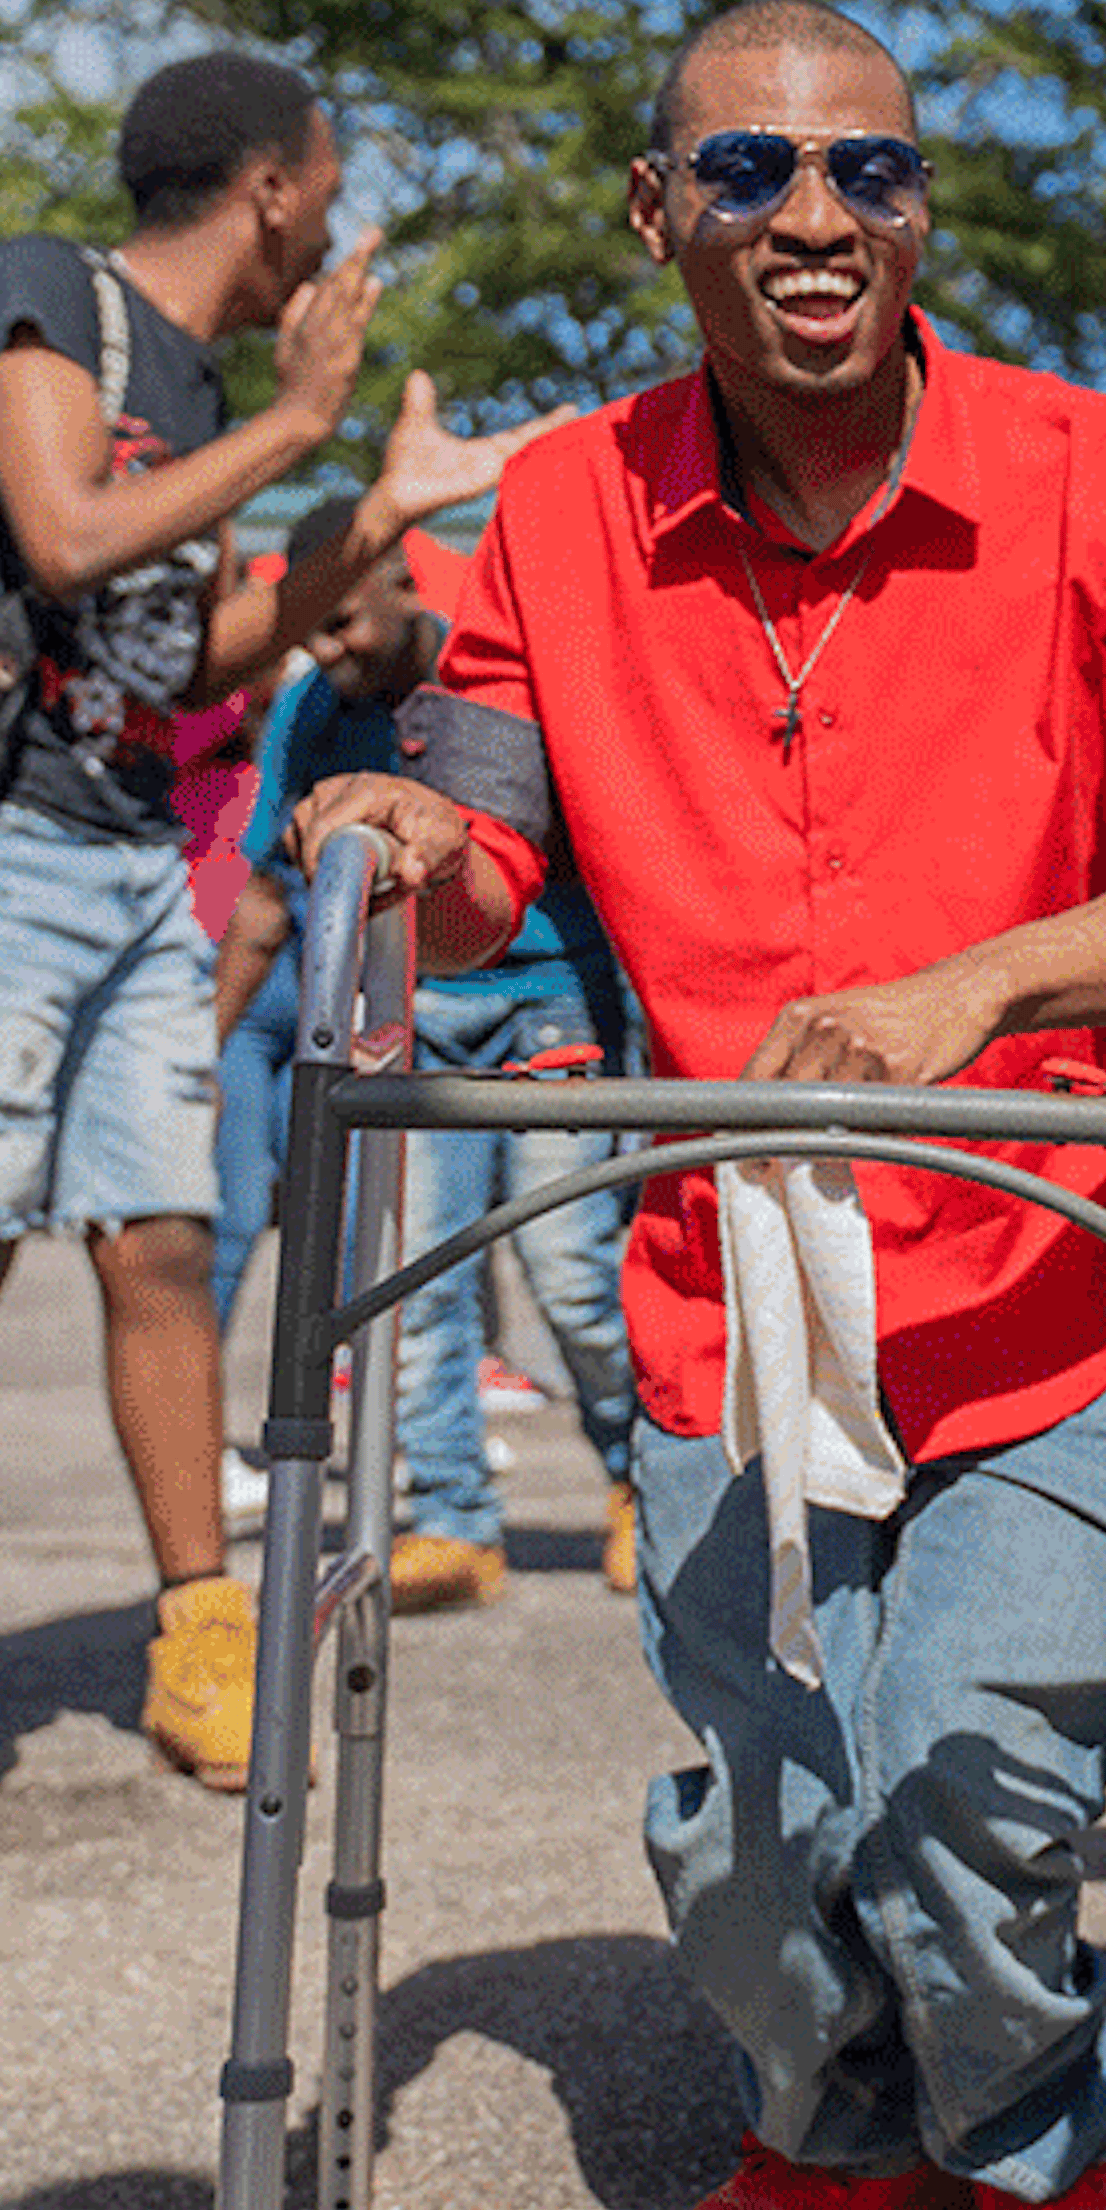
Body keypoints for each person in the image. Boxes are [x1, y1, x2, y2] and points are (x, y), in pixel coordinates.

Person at [289, 0, 1106, 2210]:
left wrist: (979, 987)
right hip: (718, 1299)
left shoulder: (1100, 472)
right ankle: (839, 2134)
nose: (818, 217)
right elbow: (480, 867)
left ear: (919, 205)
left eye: (871, 170)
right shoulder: (561, 503)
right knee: (762, 1840)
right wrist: (401, 827)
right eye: (748, 174)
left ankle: (1048, 2128)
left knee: (962, 1790)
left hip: (1042, 1296)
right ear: (659, 215)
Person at [0, 50, 555, 1803]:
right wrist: (300, 431)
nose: (335, 219)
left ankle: (199, 1637)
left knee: (163, 1239)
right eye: (331, 179)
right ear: (273, 189)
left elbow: (204, 653)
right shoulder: (51, 295)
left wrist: (372, 514)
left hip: (125, 853)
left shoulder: (208, 384)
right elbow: (67, 538)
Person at [216, 501, 638, 1611]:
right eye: (315, 630)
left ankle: (641, 1478)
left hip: (553, 996)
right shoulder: (313, 709)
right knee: (415, 1283)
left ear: (405, 583)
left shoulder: (489, 675)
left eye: (347, 621)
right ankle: (457, 1521)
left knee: (573, 1273)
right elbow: (268, 888)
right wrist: (199, 1042)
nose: (329, 647)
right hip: (413, 1011)